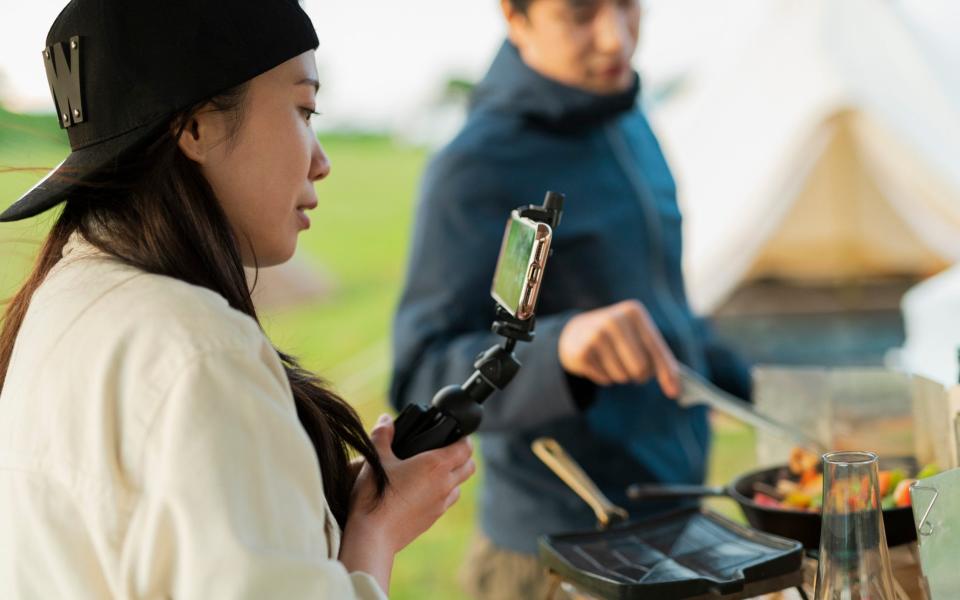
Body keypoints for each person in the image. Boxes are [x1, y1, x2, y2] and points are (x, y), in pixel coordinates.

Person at [0, 1, 474, 598]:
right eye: (305, 109)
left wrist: (299, 503)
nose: (321, 162)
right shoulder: (199, 350)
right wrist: (375, 536)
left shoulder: (67, 294)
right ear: (196, 126)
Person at [389, 0, 751, 597]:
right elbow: (418, 375)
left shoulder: (631, 122)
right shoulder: (474, 166)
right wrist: (563, 349)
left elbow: (665, 311)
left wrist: (766, 388)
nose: (617, 39)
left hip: (677, 528)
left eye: (629, 6)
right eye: (580, 14)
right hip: (559, 562)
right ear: (515, 15)